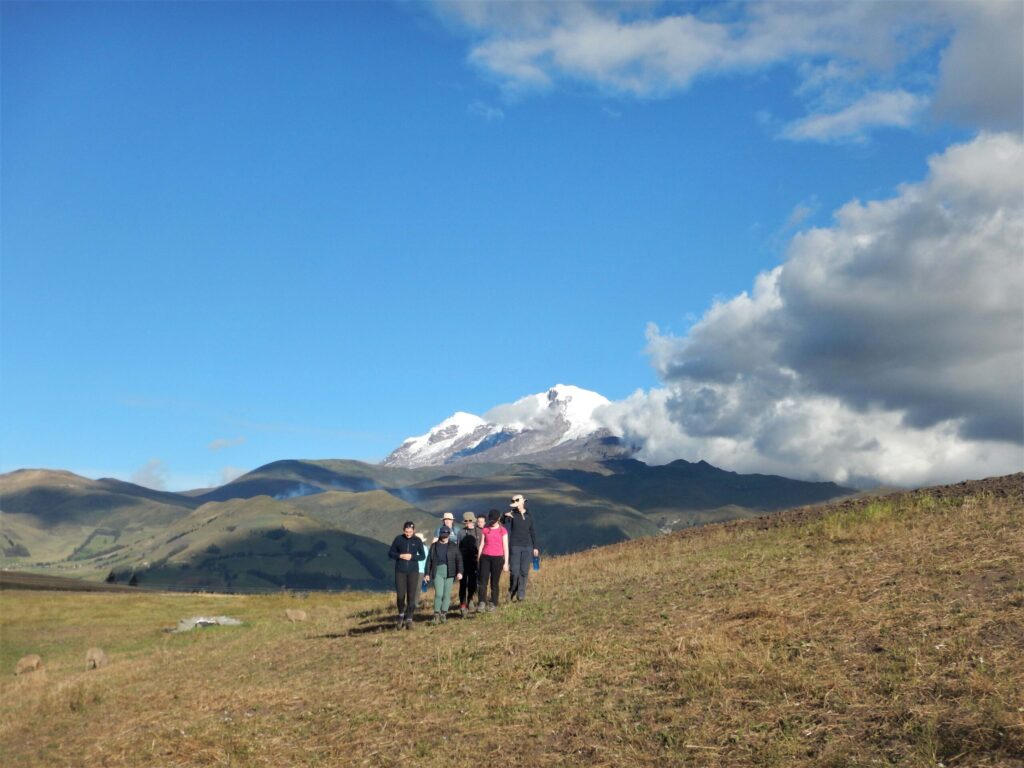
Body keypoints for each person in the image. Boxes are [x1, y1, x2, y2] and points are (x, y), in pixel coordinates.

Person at [388, 521, 425, 630]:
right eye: (406, 531)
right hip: (400, 571)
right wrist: (400, 555)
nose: (408, 533)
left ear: (414, 531)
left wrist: (412, 556)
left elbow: (422, 556)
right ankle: (400, 615)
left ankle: (409, 618)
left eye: (410, 531)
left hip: (413, 572)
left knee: (411, 596)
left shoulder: (417, 541)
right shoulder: (398, 539)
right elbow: (391, 553)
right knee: (400, 596)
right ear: (403, 530)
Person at [424, 526, 463, 624]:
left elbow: (459, 559)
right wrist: (427, 573)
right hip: (437, 572)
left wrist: (460, 572)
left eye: (446, 534)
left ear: (449, 535)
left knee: (446, 594)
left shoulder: (453, 546)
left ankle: (443, 614)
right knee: (439, 594)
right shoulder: (434, 546)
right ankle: (436, 615)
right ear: (440, 534)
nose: (445, 536)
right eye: (443, 534)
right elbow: (429, 560)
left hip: (450, 572)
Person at [504, 493, 539, 603]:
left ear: (523, 502)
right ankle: (512, 590)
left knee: (524, 571)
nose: (516, 504)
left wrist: (535, 547)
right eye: (514, 503)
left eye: (517, 502)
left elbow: (532, 531)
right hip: (515, 546)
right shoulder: (512, 515)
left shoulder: (529, 515)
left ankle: (521, 593)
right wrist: (505, 516)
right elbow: (504, 522)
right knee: (514, 571)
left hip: (527, 546)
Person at [476, 509, 508, 611]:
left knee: (494, 582)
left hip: (498, 558)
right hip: (485, 557)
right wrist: (479, 558)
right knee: (483, 581)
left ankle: (493, 602)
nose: (492, 522)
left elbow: (506, 547)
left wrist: (506, 563)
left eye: (494, 520)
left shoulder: (503, 531)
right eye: (491, 520)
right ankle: (482, 602)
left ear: (498, 519)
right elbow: (482, 544)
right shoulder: (485, 529)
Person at [457, 512, 479, 616]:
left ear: (473, 521)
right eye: (466, 521)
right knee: (462, 584)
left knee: (472, 583)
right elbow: (457, 548)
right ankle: (463, 605)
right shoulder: (461, 532)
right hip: (462, 561)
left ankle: (470, 599)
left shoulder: (479, 531)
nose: (468, 523)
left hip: (474, 561)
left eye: (470, 521)